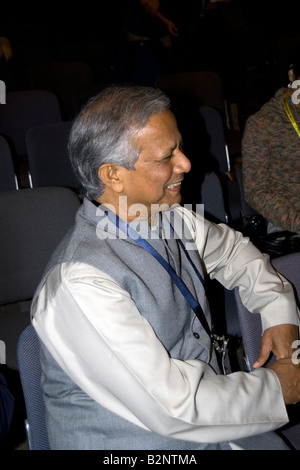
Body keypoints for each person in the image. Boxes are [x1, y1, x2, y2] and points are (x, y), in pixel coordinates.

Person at [31, 85, 300, 450]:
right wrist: (277, 387)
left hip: (208, 420)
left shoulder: (166, 218)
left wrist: (278, 310)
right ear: (113, 175)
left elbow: (238, 254)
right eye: (166, 156)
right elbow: (171, 409)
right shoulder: (80, 283)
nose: (186, 164)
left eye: (180, 147)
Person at [242, 60, 300, 235]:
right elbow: (256, 191)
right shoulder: (262, 124)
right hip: (288, 220)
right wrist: (297, 221)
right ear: (292, 75)